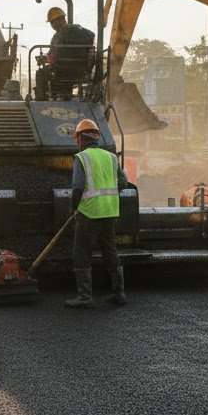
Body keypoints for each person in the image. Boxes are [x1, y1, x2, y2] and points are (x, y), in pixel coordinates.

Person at [65, 118, 129, 309]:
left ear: (79, 138)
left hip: (89, 212)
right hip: (109, 211)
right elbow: (123, 182)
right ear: (96, 137)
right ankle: (119, 293)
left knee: (81, 253)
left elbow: (77, 188)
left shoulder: (82, 158)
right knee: (110, 251)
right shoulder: (111, 157)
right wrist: (109, 195)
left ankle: (85, 296)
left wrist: (74, 207)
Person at [38, 6, 95, 99]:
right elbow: (92, 35)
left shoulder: (57, 37)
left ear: (60, 20)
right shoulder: (80, 30)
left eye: (52, 22)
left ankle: (44, 98)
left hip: (61, 72)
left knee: (40, 73)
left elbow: (52, 57)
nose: (52, 25)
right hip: (81, 71)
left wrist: (44, 59)